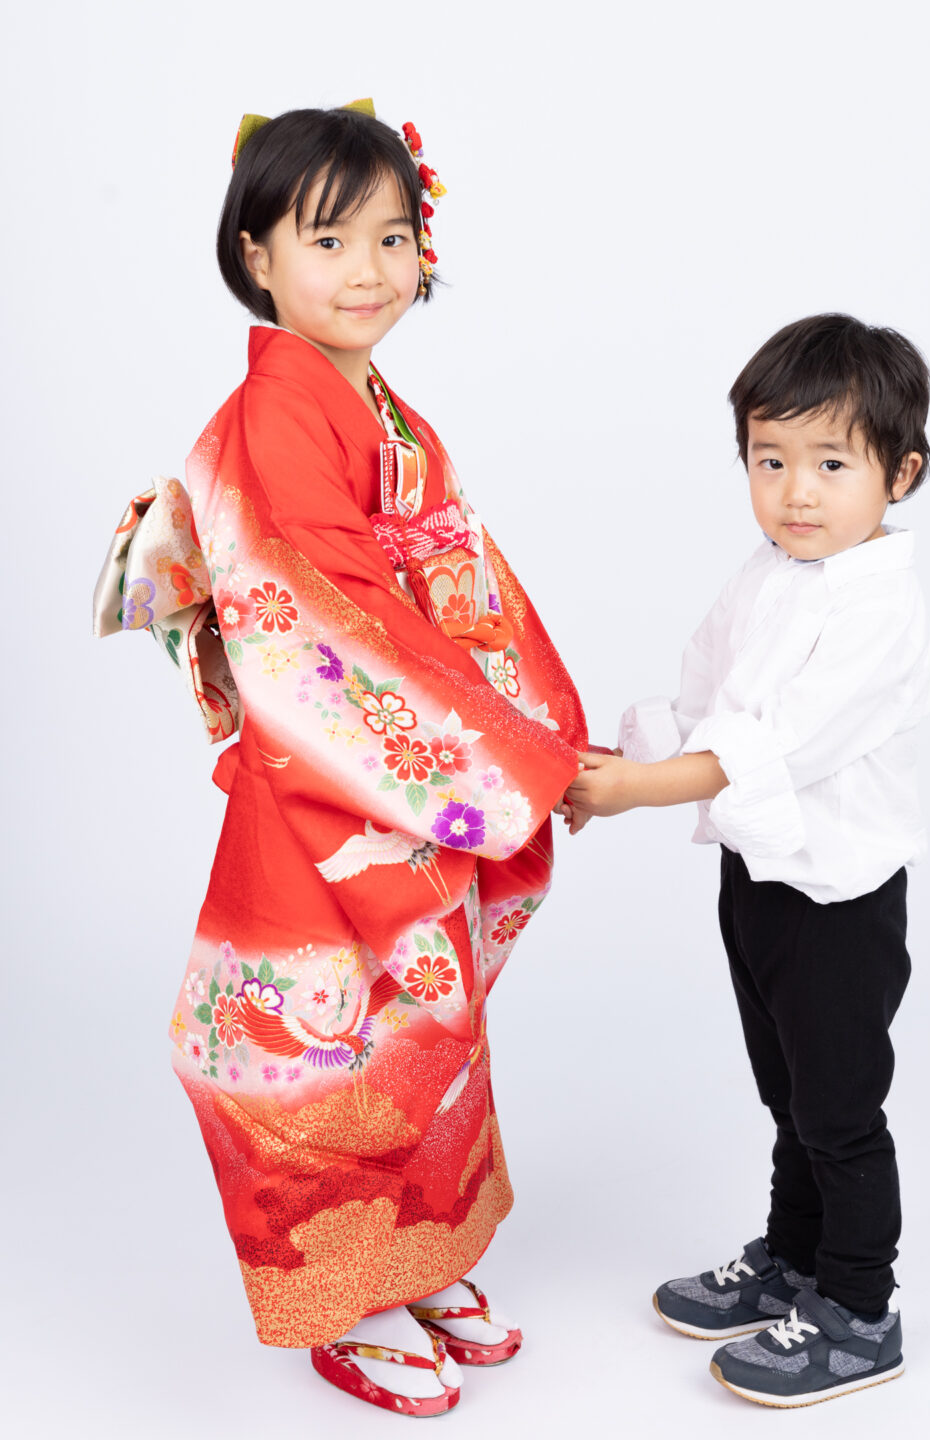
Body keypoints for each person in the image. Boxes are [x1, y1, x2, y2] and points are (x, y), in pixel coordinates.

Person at [96, 102, 583, 1417]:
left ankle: (417, 1259)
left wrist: (530, 734)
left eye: (394, 236)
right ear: (255, 253)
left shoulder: (383, 409)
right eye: (329, 240)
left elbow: (459, 578)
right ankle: (343, 1297)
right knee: (322, 1043)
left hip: (412, 780)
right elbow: (324, 621)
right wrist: (507, 759)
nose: (370, 270)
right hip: (327, 789)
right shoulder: (275, 418)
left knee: (425, 1024)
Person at [561, 313, 930, 1408]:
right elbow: (703, 700)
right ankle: (793, 1259)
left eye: (830, 463)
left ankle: (862, 1310)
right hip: (758, 878)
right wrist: (618, 759)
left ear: (898, 473)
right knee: (787, 1094)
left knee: (840, 1109)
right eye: (769, 462)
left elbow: (769, 747)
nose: (796, 492)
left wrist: (635, 793)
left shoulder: (881, 610)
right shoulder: (768, 573)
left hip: (835, 895)